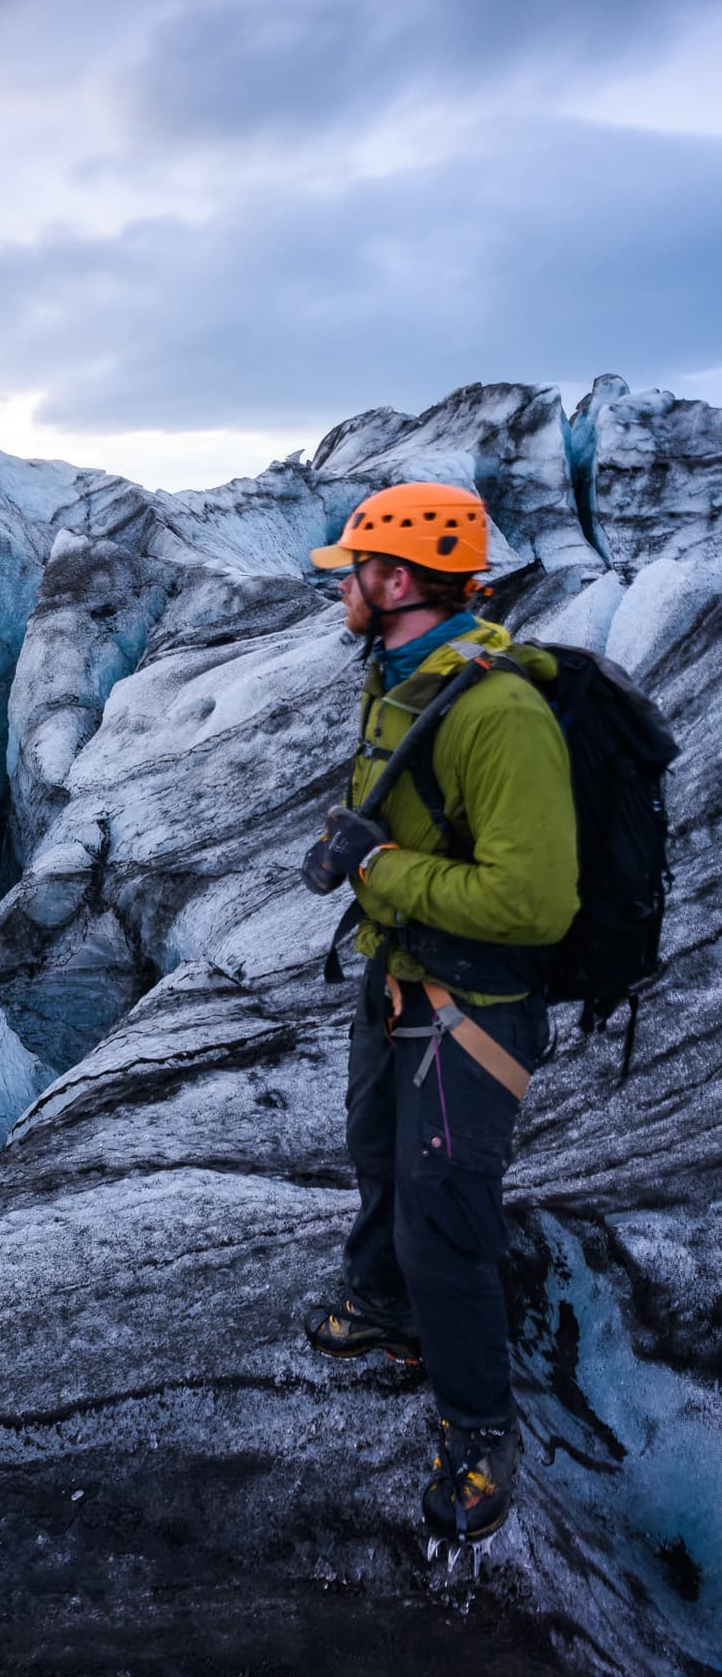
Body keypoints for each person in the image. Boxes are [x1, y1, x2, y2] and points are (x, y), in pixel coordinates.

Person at [299, 481, 578, 1544]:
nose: (345, 591)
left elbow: (533, 900)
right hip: (402, 975)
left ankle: (478, 1428)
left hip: (471, 1011)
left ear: (399, 578)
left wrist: (379, 864)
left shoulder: (498, 713)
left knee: (447, 1217)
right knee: (377, 1151)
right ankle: (384, 1303)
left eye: (355, 571)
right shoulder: (404, 677)